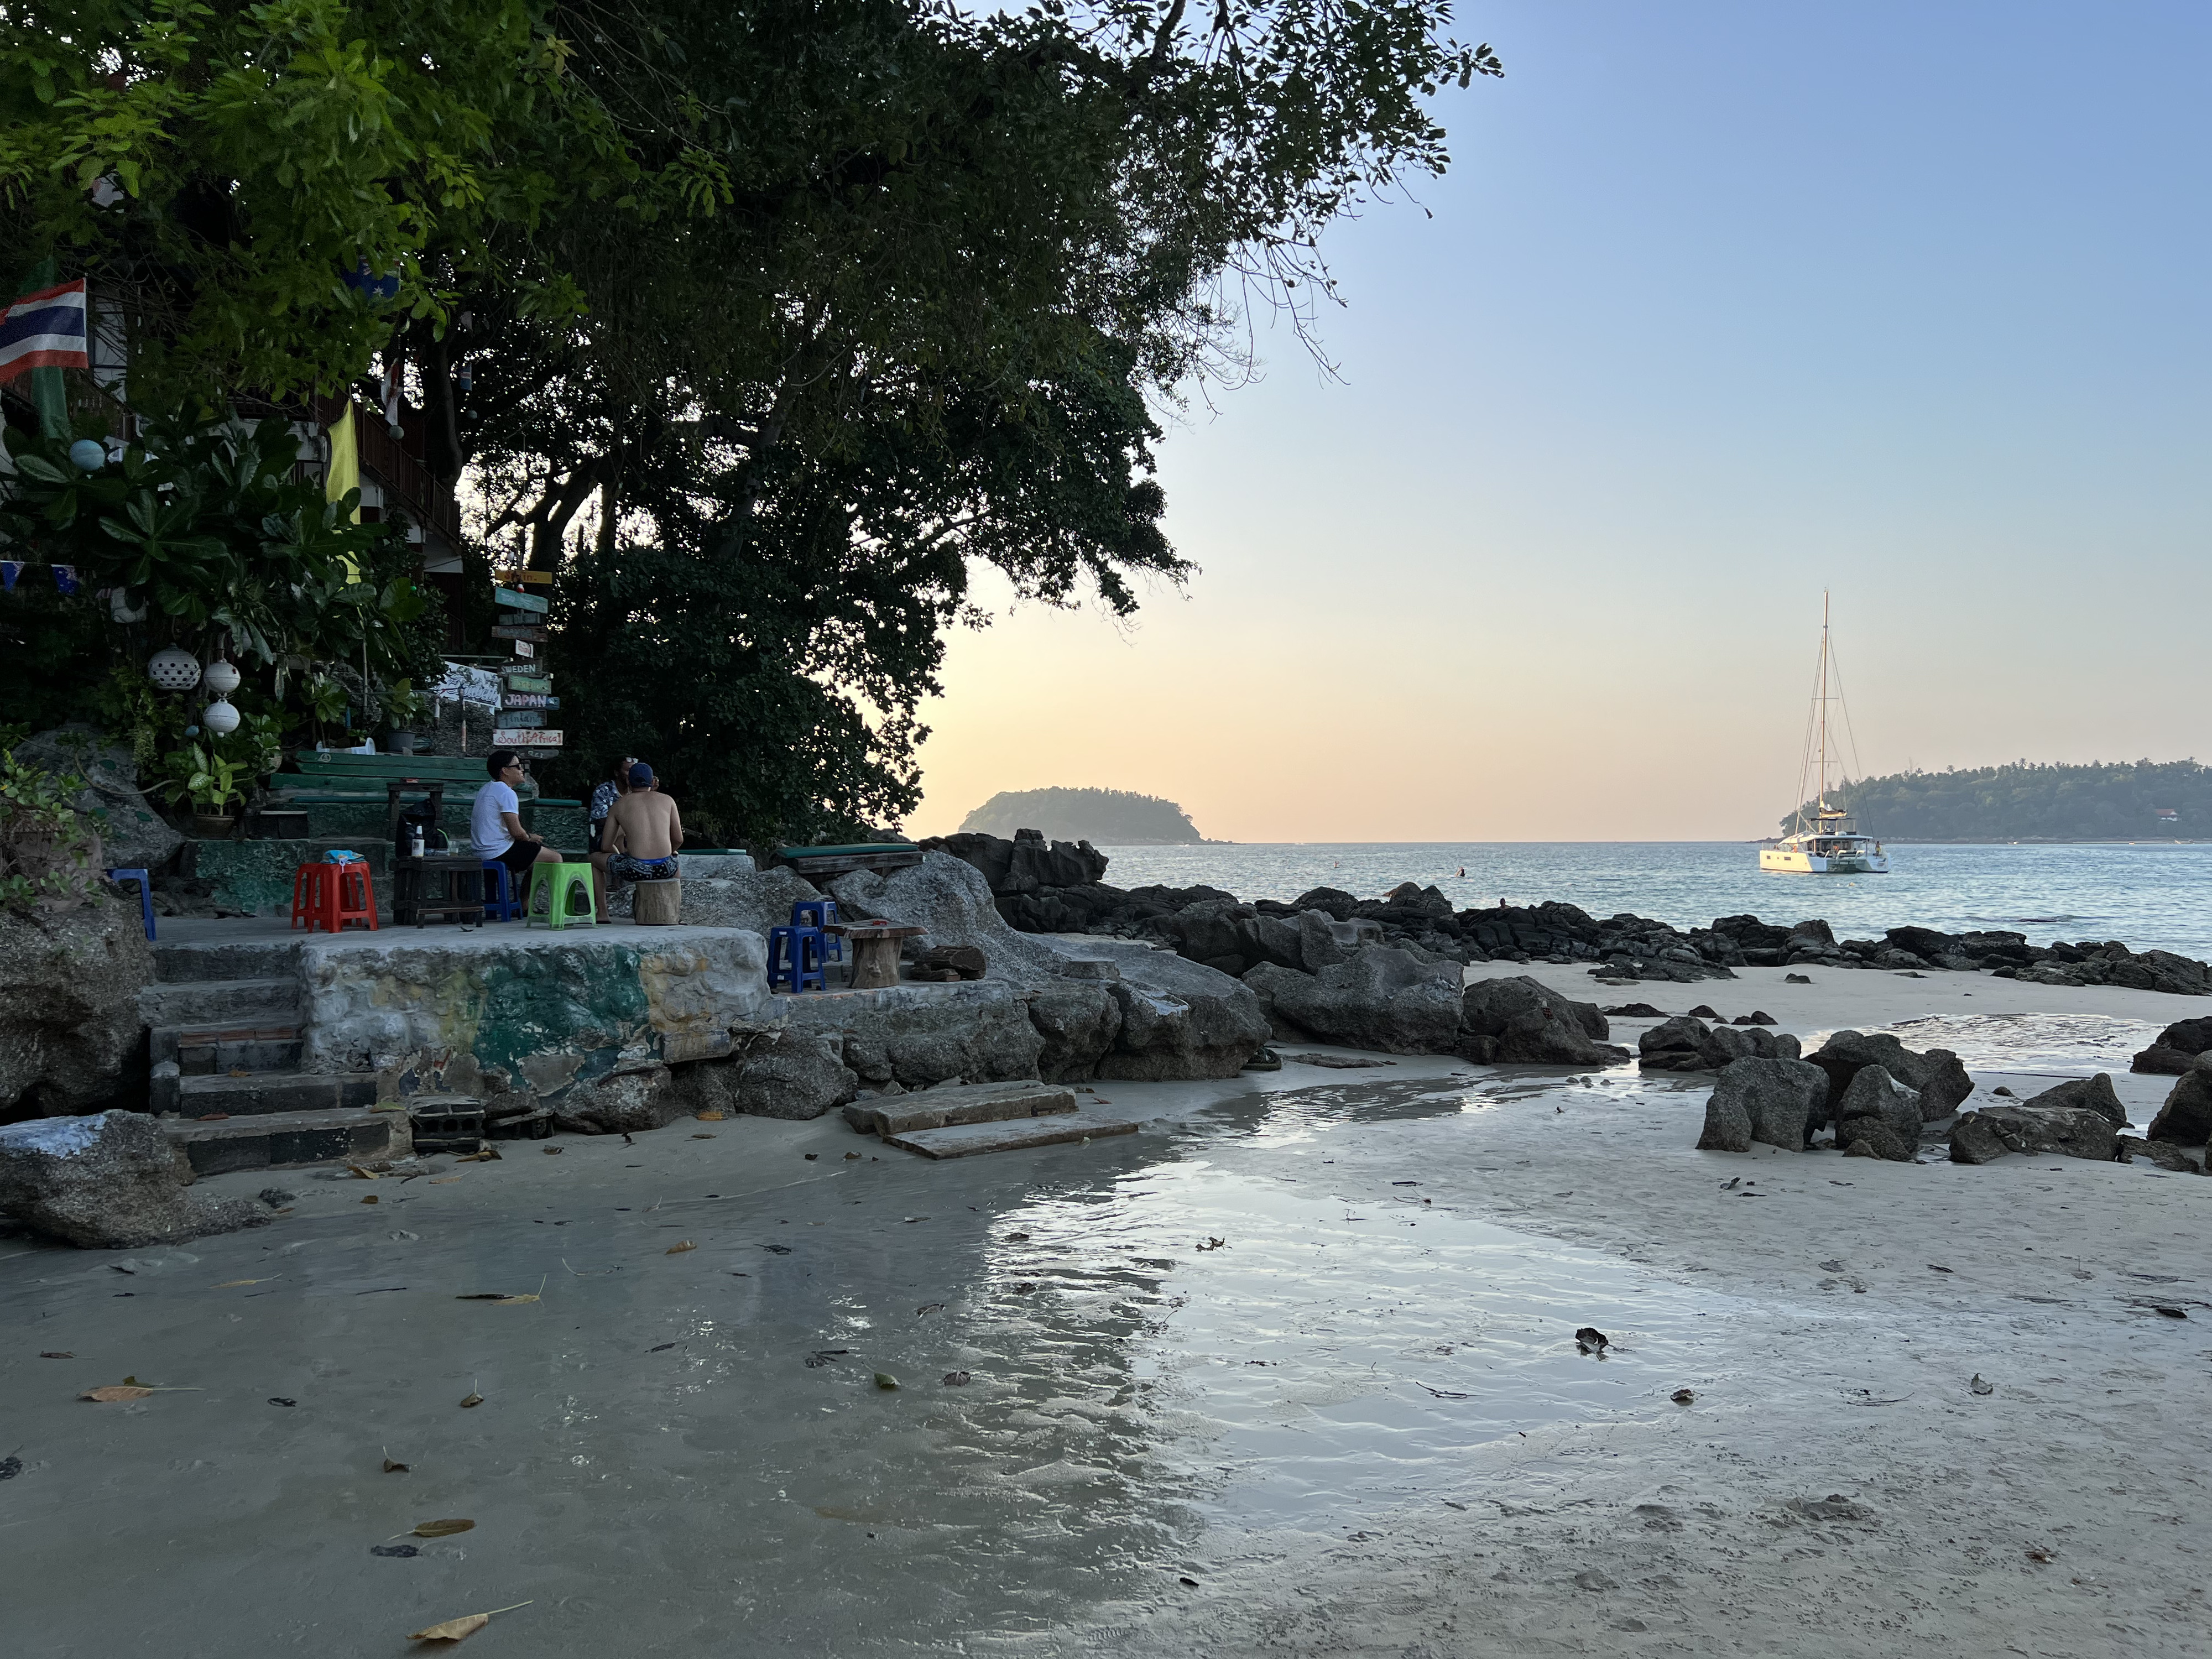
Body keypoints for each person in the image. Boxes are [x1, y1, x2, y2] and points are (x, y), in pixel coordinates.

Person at [590, 760, 684, 920]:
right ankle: (674, 913)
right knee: (675, 864)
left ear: (628, 782)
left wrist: (622, 854)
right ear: (653, 782)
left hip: (636, 869)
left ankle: (602, 913)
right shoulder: (668, 800)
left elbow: (606, 846)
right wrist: (670, 851)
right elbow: (678, 839)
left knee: (593, 859)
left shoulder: (619, 805)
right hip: (666, 868)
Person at [472, 750, 561, 906]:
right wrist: (529, 837)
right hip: (498, 850)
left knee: (537, 858)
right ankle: (556, 907)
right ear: (505, 771)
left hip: (482, 849)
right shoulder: (506, 792)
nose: (522, 770)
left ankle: (524, 905)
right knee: (554, 858)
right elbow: (516, 832)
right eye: (518, 766)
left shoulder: (487, 788)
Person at [586, 757, 638, 854]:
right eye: (628, 771)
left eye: (634, 772)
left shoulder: (636, 792)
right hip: (605, 837)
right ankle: (621, 864)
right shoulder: (603, 790)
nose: (632, 775)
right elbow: (601, 821)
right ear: (617, 773)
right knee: (620, 832)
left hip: (632, 836)